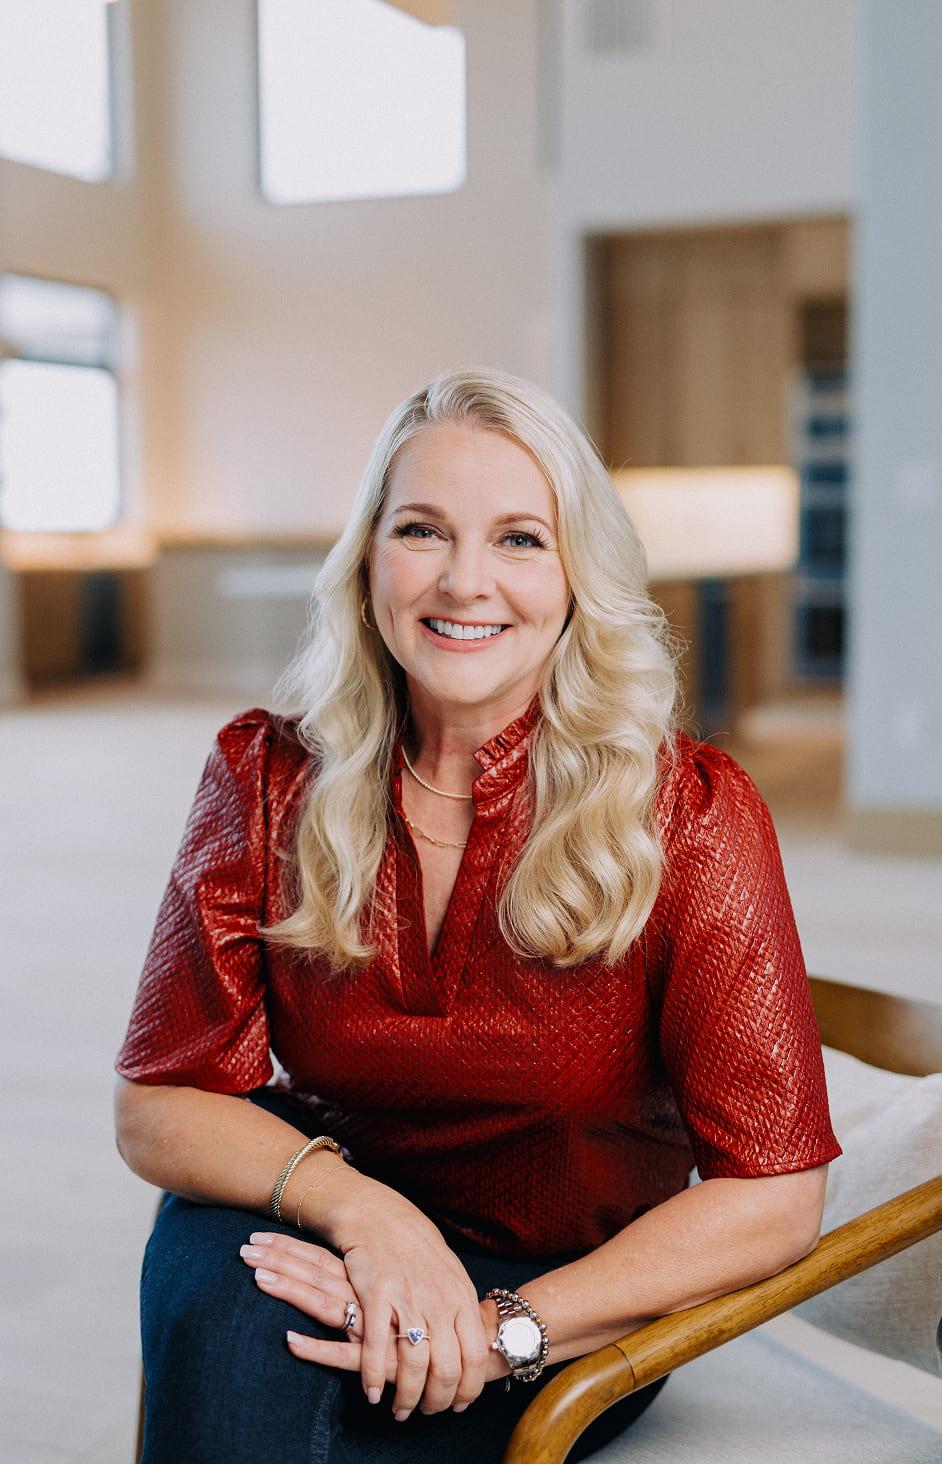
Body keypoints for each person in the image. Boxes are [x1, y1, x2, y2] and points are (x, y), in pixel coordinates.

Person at [115, 367, 840, 1464]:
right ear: (368, 562)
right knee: (229, 1334)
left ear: (577, 576)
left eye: (518, 540)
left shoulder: (688, 814)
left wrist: (505, 1332)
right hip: (314, 1213)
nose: (463, 582)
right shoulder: (265, 775)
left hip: (561, 1291)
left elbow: (775, 1193)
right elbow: (159, 1101)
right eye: (422, 530)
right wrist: (369, 1216)